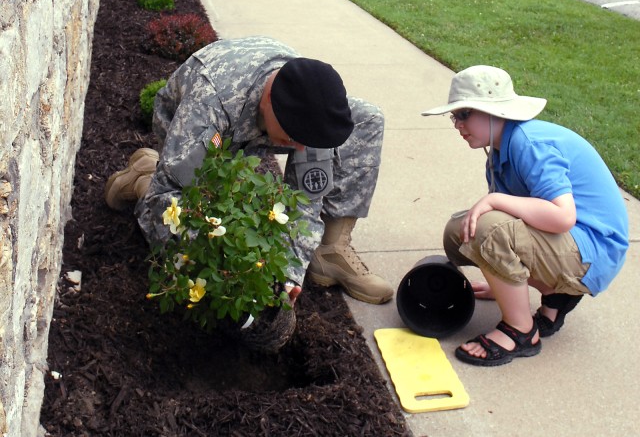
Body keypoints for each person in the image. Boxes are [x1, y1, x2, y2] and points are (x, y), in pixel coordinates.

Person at [105, 36, 394, 309]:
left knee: (367, 118)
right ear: (269, 101)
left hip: (251, 122)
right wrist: (226, 268)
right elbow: (166, 196)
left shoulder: (304, 110)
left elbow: (305, 200)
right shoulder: (211, 102)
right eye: (293, 138)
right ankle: (144, 176)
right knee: (195, 217)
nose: (299, 147)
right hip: (189, 127)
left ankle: (330, 250)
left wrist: (289, 276)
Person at [421, 65, 629, 367]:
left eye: (465, 114)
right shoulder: (499, 153)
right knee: (460, 232)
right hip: (574, 246)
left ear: (496, 112)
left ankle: (520, 332)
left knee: (487, 228)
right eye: (455, 116)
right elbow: (519, 223)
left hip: (593, 251)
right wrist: (501, 282)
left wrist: (494, 199)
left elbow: (562, 217)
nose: (457, 124)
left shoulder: (528, 143)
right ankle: (555, 301)